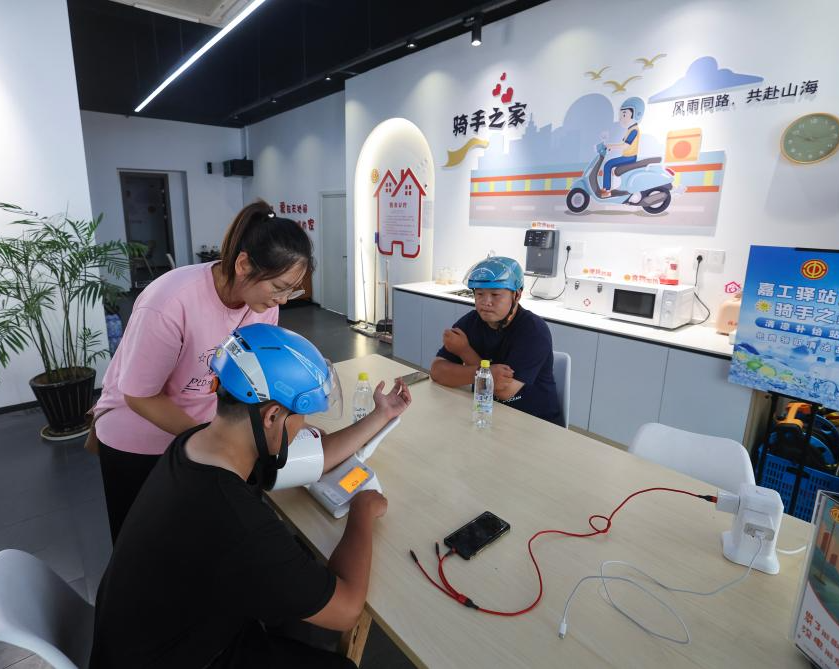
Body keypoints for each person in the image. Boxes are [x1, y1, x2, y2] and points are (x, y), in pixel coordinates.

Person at [90, 324, 411, 668]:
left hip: (147, 641)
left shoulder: (198, 445)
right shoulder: (236, 521)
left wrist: (381, 414)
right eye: (301, 417)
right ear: (272, 416)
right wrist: (362, 509)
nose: (303, 429)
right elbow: (346, 610)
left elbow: (318, 459)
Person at [91, 199, 313, 543]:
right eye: (279, 287)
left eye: (291, 289)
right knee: (143, 545)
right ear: (243, 264)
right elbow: (138, 396)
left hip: (201, 431)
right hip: (138, 436)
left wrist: (289, 421)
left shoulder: (262, 305)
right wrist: (213, 441)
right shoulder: (170, 302)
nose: (283, 300)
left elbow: (253, 372)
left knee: (195, 544)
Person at [430, 256, 562, 426]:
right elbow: (437, 371)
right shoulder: (471, 322)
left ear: (517, 295)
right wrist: (486, 373)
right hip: (486, 414)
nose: (486, 302)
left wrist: (464, 351)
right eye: (479, 294)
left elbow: (504, 391)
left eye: (495, 294)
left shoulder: (534, 331)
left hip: (535, 422)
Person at [601, 96, 644, 198]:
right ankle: (611, 188)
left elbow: (625, 145)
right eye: (620, 115)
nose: (621, 118)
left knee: (608, 165)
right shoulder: (630, 129)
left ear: (635, 114)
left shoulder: (634, 130)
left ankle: (606, 190)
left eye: (624, 114)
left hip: (630, 157)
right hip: (626, 156)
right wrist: (610, 147)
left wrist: (609, 146)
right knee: (610, 165)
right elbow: (622, 144)